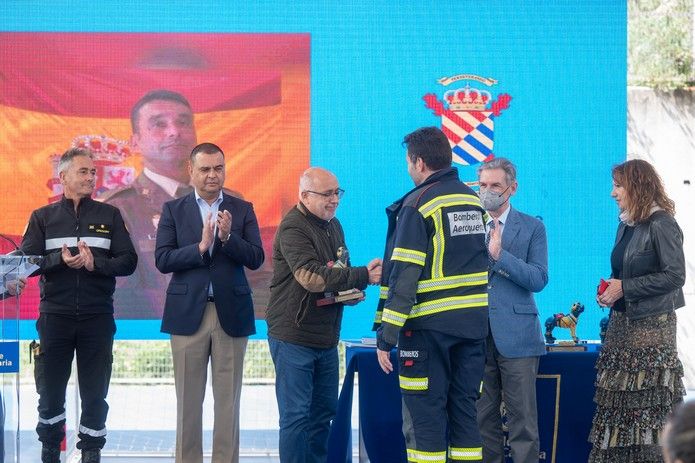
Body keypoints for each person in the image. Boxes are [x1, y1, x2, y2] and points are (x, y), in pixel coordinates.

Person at [374, 126, 489, 463]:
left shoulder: (419, 203)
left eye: (409, 163)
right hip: (472, 329)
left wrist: (387, 335)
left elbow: (405, 277)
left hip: (427, 332)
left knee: (425, 421)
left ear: (420, 163)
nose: (409, 169)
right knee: (466, 419)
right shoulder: (472, 200)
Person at [20, 148, 138, 463]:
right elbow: (26, 264)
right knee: (50, 392)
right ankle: (50, 450)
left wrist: (94, 264)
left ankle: (91, 452)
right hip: (54, 318)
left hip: (97, 318)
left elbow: (128, 261)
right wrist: (59, 259)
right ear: (63, 177)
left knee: (95, 394)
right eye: (83, 172)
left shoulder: (109, 215)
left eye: (92, 172)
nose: (90, 178)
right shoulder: (42, 217)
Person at [155, 142, 264, 463]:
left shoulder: (242, 208)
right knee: (188, 403)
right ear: (191, 171)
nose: (213, 175)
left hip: (231, 313)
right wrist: (201, 247)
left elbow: (256, 258)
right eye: (205, 169)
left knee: (228, 403)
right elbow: (163, 259)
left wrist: (229, 239)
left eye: (218, 168)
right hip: (188, 316)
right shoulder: (173, 210)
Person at [265, 167, 381, 463]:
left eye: (337, 192)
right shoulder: (293, 227)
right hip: (294, 336)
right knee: (296, 418)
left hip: (326, 338)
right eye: (327, 194)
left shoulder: (334, 225)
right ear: (304, 196)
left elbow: (338, 272)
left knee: (323, 415)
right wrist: (363, 276)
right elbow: (311, 278)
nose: (334, 200)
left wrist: (351, 291)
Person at [590, 159, 686, 462]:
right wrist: (609, 292)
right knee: (618, 412)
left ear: (638, 187)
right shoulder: (625, 224)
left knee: (648, 414)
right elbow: (623, 271)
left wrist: (626, 288)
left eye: (618, 186)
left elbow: (675, 276)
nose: (612, 193)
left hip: (651, 333)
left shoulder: (662, 223)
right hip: (621, 328)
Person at [475, 158, 548, 463]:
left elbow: (538, 278)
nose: (487, 192)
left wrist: (500, 256)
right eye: (482, 185)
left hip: (518, 338)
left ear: (512, 189)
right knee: (481, 422)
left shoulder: (533, 226)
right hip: (475, 337)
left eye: (495, 186)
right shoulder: (466, 224)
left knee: (523, 423)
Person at [101, 89, 198, 318]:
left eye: (183, 122)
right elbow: (116, 297)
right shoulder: (117, 210)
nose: (175, 132)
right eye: (159, 124)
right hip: (154, 339)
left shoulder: (228, 202)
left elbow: (255, 279)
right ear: (135, 143)